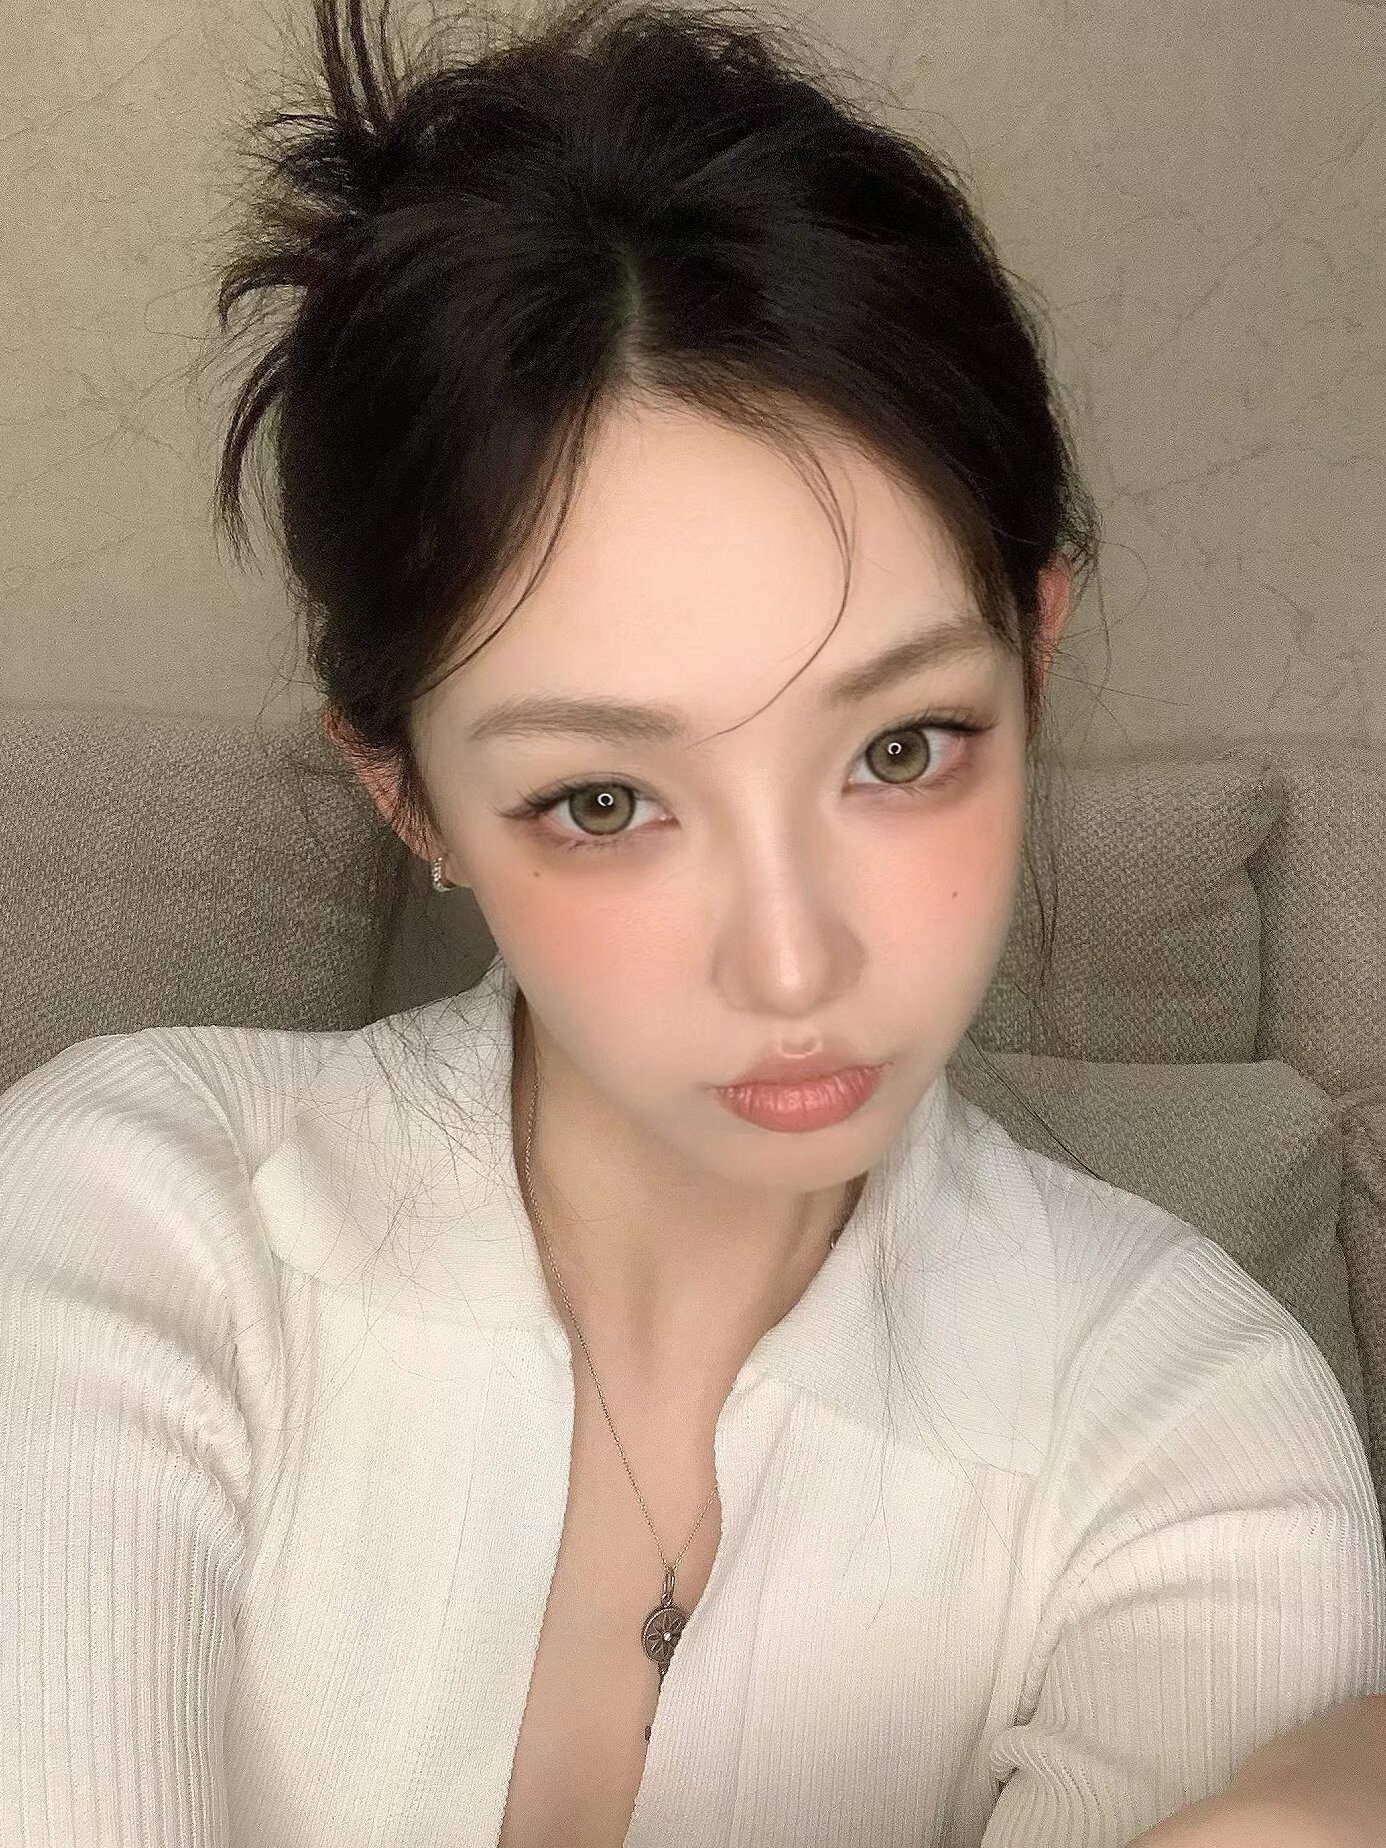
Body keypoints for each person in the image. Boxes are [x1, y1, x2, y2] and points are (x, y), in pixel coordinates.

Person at [1, 0, 1382, 1843]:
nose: (795, 964)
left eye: (902, 746)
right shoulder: (126, 1224)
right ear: (408, 794)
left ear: (1031, 661)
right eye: (603, 801)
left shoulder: (1190, 1422)